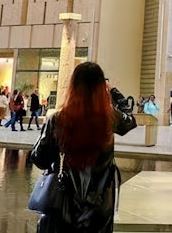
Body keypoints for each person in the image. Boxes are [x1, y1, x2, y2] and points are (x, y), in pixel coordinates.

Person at [30, 62, 120, 232]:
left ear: (73, 86)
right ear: (102, 88)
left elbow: (39, 159)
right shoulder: (110, 120)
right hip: (99, 210)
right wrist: (113, 90)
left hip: (64, 207)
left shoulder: (58, 120)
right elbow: (129, 116)